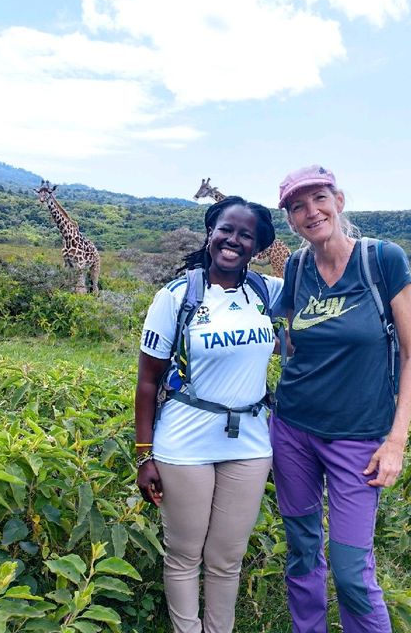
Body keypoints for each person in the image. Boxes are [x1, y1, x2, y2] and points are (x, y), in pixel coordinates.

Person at [271, 165, 411, 632]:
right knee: (301, 548)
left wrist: (395, 441)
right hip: (293, 429)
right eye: (297, 206)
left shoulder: (382, 261)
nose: (310, 212)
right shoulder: (296, 267)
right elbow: (292, 342)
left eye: (318, 199)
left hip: (358, 439)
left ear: (338, 200)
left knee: (352, 570)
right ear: (292, 221)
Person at [135, 196, 283, 633]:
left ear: (257, 247)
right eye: (226, 229)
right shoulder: (177, 296)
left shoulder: (265, 291)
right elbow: (147, 382)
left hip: (252, 445)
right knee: (184, 554)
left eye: (246, 235)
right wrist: (145, 456)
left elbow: (322, 289)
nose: (233, 240)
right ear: (210, 231)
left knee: (226, 558)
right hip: (185, 444)